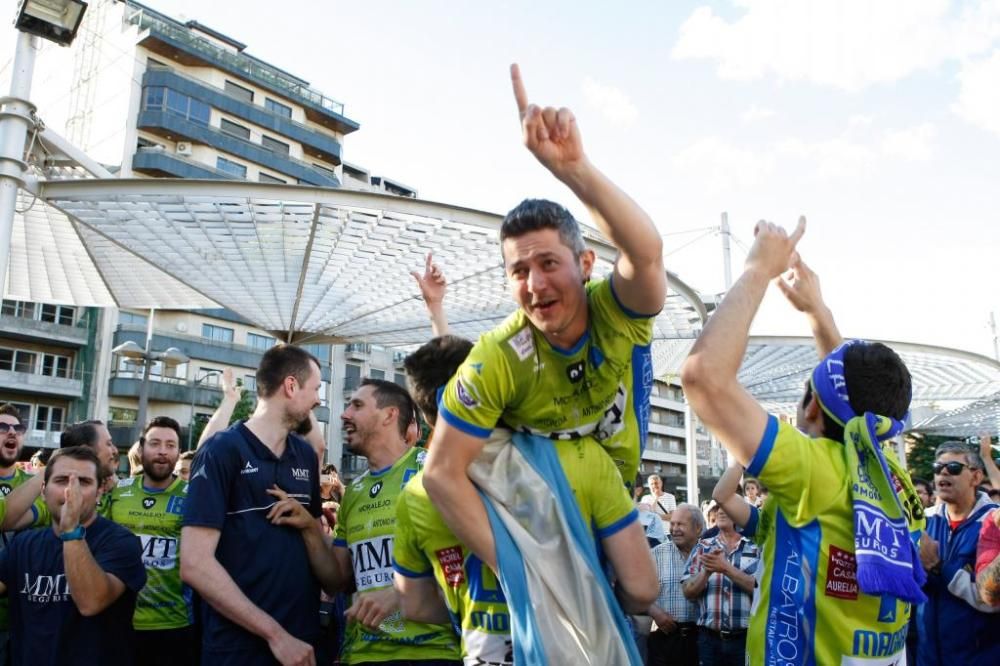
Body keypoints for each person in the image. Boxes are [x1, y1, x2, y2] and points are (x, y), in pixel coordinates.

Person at [423, 64, 664, 592]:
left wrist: (574, 170)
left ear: (585, 264)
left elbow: (646, 254)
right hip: (545, 509)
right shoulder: (498, 355)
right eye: (518, 271)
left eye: (549, 263)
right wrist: (525, 569)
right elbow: (439, 473)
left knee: (642, 593)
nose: (534, 283)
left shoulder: (613, 310)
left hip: (613, 488)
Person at [681, 224, 927, 665]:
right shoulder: (891, 476)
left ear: (811, 407)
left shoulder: (815, 467)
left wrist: (758, 268)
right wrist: (818, 312)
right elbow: (852, 406)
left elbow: (704, 378)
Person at [271, 378, 461, 665]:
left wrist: (402, 594)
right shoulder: (355, 491)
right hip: (362, 654)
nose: (344, 414)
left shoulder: (433, 471)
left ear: (389, 415)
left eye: (357, 405)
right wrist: (310, 526)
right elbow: (337, 579)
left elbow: (472, 564)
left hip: (432, 653)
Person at [180, 344, 325, 666]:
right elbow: (194, 563)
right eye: (316, 388)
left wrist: (310, 528)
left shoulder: (303, 455)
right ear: (291, 386)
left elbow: (322, 559)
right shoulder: (221, 450)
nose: (318, 399)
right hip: (237, 649)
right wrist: (275, 635)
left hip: (302, 644)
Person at [0, 446, 146, 665]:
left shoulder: (121, 542)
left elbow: (91, 602)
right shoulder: (23, 545)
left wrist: (71, 530)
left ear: (99, 493)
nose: (71, 489)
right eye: (61, 480)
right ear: (43, 491)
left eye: (84, 482)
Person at [108, 417, 196, 666]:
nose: (162, 451)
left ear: (178, 452)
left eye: (170, 445)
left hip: (174, 623)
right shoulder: (117, 492)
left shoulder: (193, 496)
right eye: (155, 443)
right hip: (118, 621)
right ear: (141, 448)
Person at [917, 442, 1000, 664]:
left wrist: (938, 566)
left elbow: (992, 601)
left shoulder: (993, 523)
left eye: (953, 467)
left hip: (979, 657)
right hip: (927, 657)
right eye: (937, 467)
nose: (943, 471)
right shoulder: (921, 521)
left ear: (976, 477)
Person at [2, 419, 119, 531]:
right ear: (86, 451)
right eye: (109, 444)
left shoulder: (121, 489)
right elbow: (4, 521)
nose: (115, 450)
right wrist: (52, 468)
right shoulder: (57, 497)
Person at [681, 506, 759, 666]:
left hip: (744, 640)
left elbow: (761, 589)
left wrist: (726, 569)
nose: (721, 511)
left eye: (727, 508)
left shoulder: (755, 548)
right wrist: (706, 572)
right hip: (708, 640)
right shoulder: (702, 547)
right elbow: (687, 592)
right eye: (718, 508)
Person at [647, 504, 703, 666]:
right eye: (672, 524)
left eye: (681, 524)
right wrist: (654, 611)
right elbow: (634, 590)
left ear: (698, 528)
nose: (675, 529)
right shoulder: (656, 554)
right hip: (665, 638)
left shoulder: (709, 553)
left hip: (701, 640)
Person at [0, 404, 32, 663]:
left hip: (24, 618)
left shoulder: (37, 485)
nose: (11, 433)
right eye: (2, 427)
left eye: (17, 428)